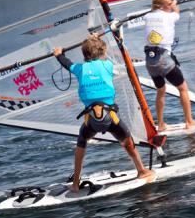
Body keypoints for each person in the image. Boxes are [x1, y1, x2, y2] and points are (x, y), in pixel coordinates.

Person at [53, 34, 155, 192]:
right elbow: (103, 56)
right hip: (111, 118)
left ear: (85, 54)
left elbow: (67, 64)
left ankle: (75, 184)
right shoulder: (107, 65)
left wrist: (59, 54)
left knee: (82, 142)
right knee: (128, 141)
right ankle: (141, 170)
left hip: (91, 120)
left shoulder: (80, 69)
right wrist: (96, 39)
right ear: (101, 52)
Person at [143, 0, 195, 131]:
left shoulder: (147, 16)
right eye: (168, 4)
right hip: (163, 59)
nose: (171, 5)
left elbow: (154, 13)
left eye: (171, 3)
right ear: (160, 6)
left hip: (150, 61)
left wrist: (167, 4)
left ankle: (161, 125)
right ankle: (189, 121)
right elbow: (177, 12)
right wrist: (174, 5)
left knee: (161, 90)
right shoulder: (169, 16)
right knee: (183, 88)